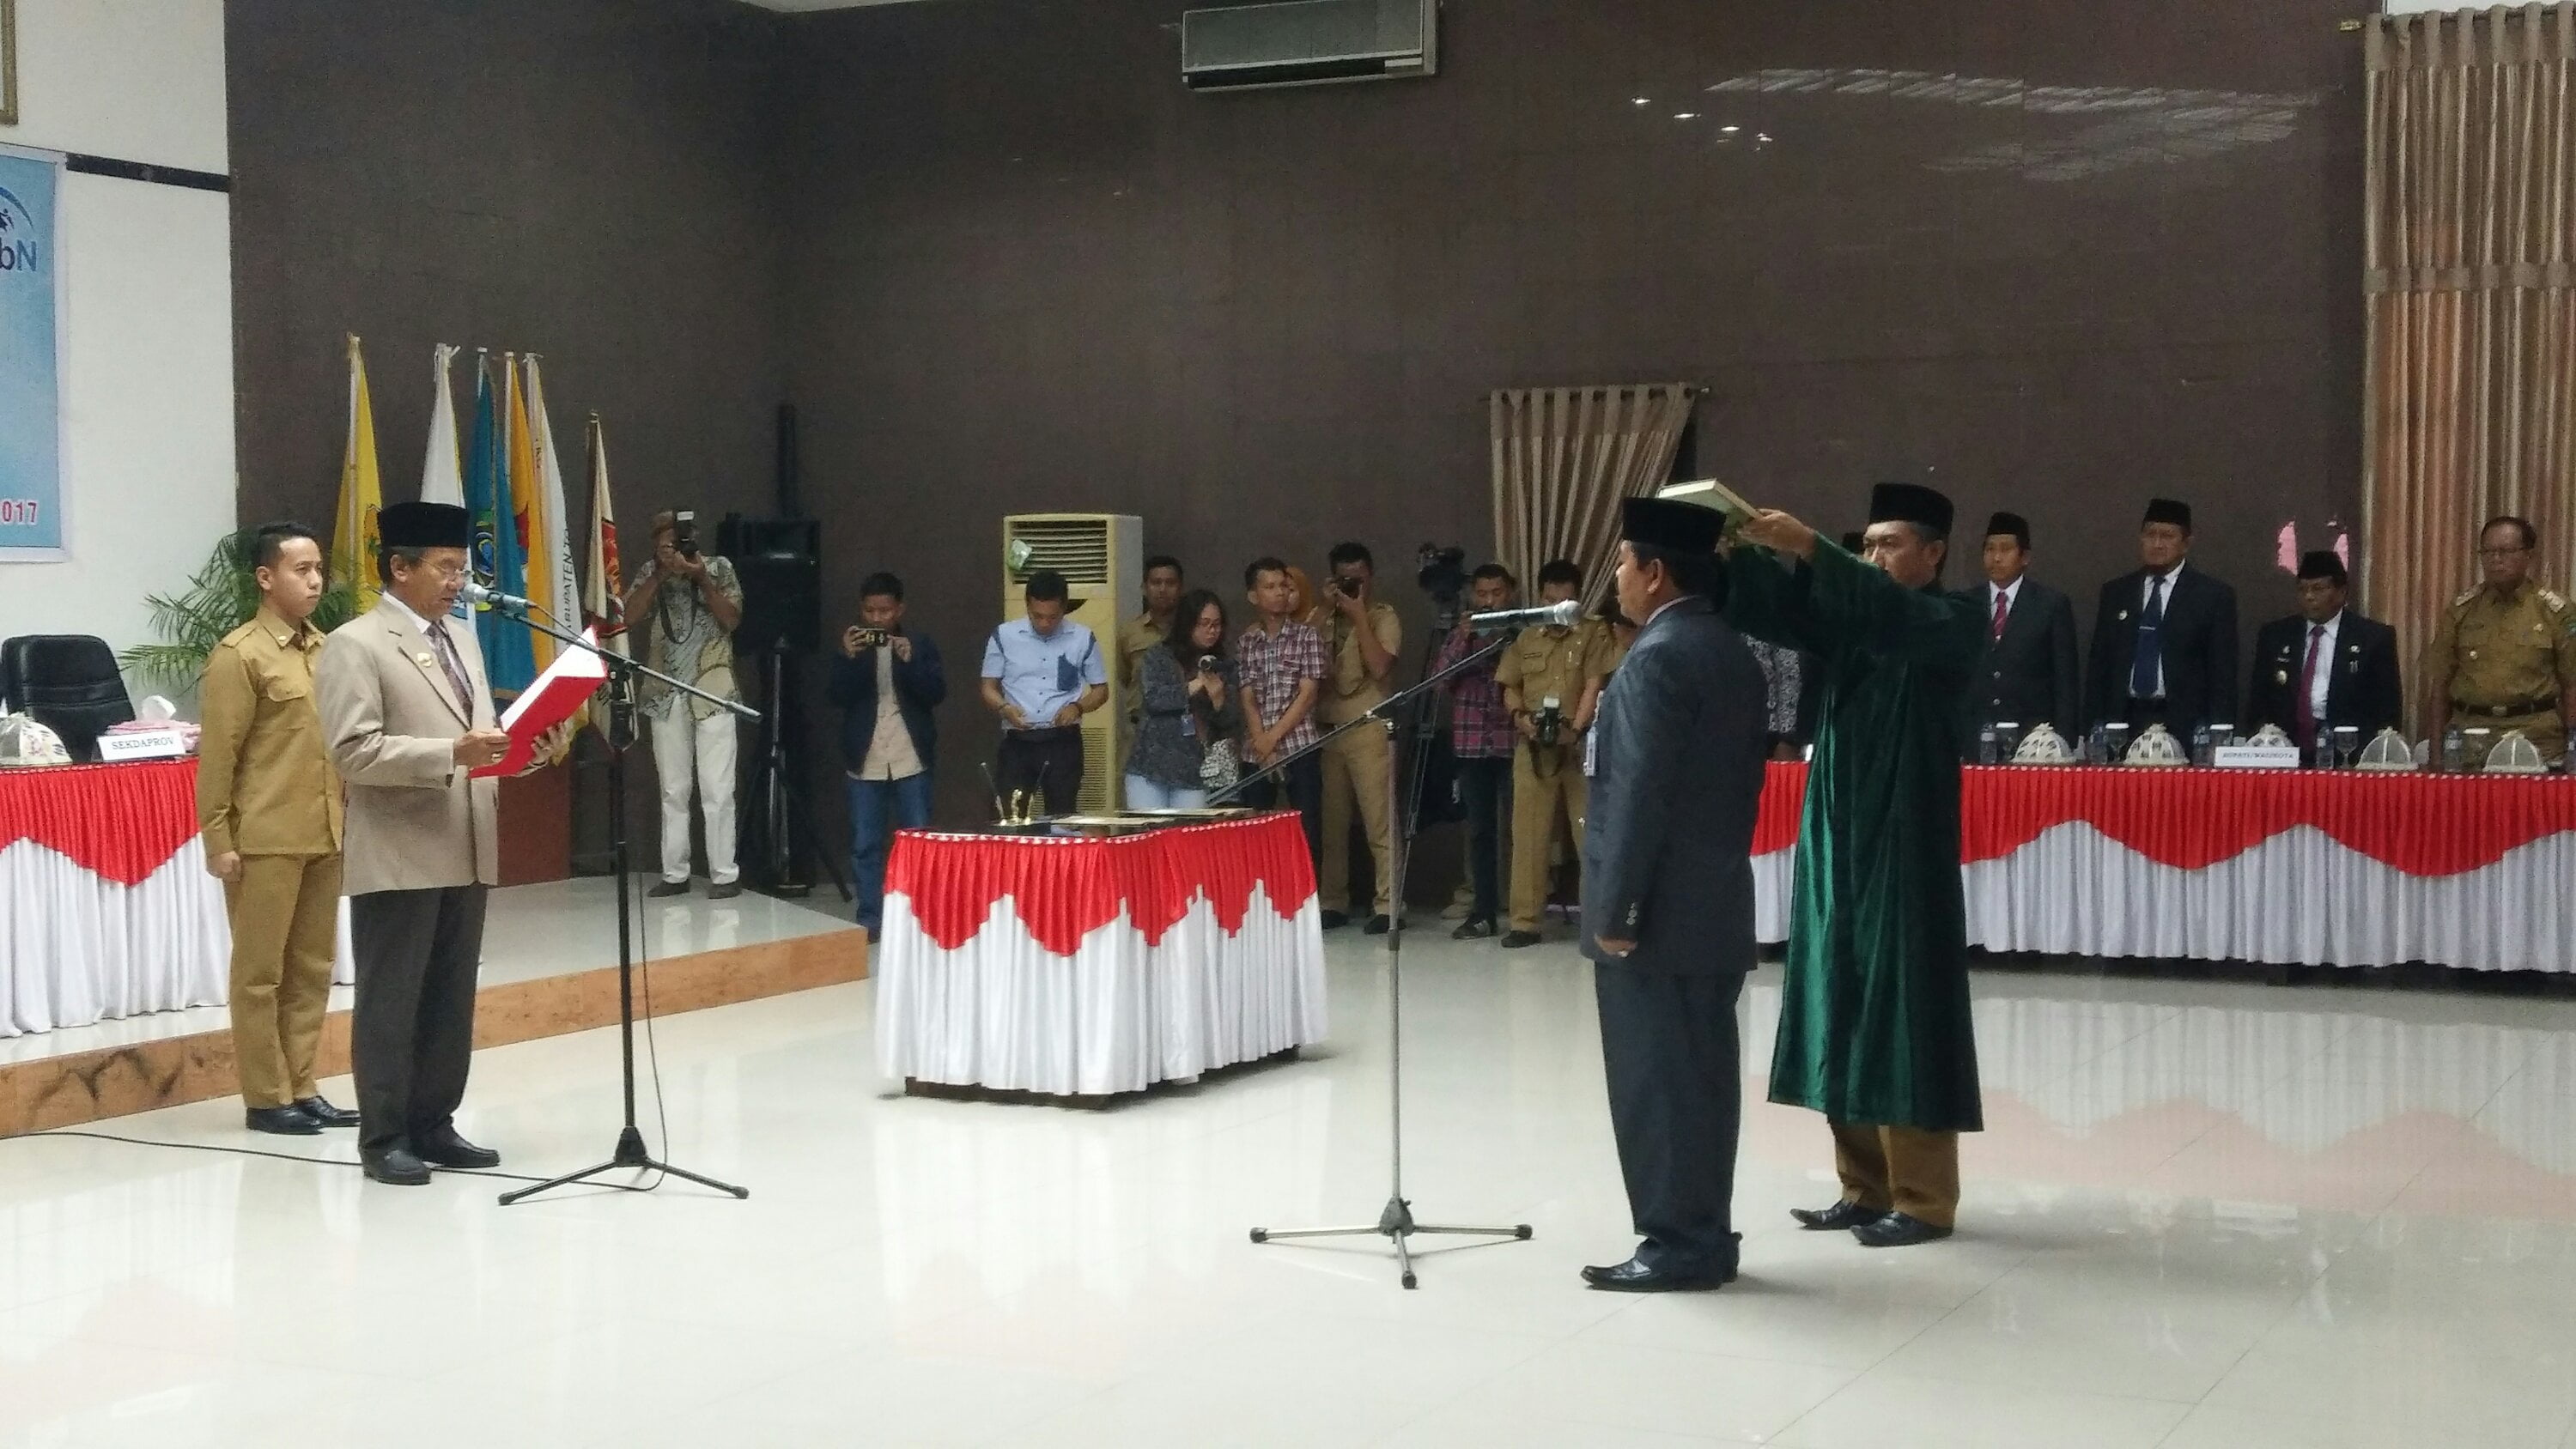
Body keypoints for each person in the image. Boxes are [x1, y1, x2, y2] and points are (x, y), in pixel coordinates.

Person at [1724, 482, 1986, 1249]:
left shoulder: (1954, 617)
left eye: (1889, 544)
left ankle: (1924, 1199)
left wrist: (1812, 547)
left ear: (1934, 552)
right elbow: (1784, 611)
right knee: (1838, 993)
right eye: (1865, 545)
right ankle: (1863, 1187)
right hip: (1837, 839)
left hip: (1906, 845)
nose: (1873, 557)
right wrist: (1737, 554)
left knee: (1903, 1005)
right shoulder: (1854, 618)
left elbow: (1890, 611)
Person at [316, 500, 567, 1186]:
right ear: (400, 568)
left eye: (462, 569)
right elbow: (353, 752)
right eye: (447, 568)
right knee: (392, 1001)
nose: (460, 582)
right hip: (400, 851)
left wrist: (526, 748)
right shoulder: (357, 643)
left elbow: (479, 743)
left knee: (450, 1000)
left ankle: (435, 1123)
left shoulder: (462, 638)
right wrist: (453, 752)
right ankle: (385, 1137)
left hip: (467, 842)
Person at [1578, 498, 1769, 1292]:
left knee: (1658, 1085)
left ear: (1655, 573)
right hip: (1710, 903)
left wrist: (1618, 911)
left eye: (1624, 562)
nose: (1618, 578)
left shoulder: (1658, 656)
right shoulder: (1726, 647)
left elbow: (1640, 796)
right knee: (1701, 1083)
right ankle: (1704, 1235)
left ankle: (1677, 1244)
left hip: (1656, 918)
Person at [197, 522, 353, 1137]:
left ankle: (302, 1085)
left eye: (318, 569)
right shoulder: (240, 655)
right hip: (263, 838)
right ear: (266, 578)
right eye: (300, 570)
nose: (315, 582)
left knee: (312, 968)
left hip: (325, 831)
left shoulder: (328, 649)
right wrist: (218, 840)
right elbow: (219, 758)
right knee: (260, 973)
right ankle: (266, 1096)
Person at [623, 510, 745, 900]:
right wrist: (660, 574)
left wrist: (701, 578)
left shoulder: (719, 568)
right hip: (665, 690)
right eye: (666, 545)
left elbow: (732, 619)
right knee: (673, 789)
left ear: (693, 538)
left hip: (714, 690)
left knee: (717, 788)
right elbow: (627, 617)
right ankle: (675, 874)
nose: (675, 551)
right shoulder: (650, 572)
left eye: (679, 542)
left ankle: (724, 875)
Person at [1495, 559, 1613, 949]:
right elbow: (1509, 685)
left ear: (1577, 598)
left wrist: (1575, 729)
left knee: (1590, 834)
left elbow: (1595, 683)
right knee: (1528, 835)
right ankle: (1524, 922)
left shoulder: (1594, 631)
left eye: (1564, 601)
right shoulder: (1527, 635)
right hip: (1532, 746)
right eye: (1549, 601)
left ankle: (1598, 923)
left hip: (1581, 746)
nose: (1556, 609)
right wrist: (1520, 718)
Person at [829, 572, 945, 943]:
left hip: (911, 756)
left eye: (885, 611)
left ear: (900, 609)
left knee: (918, 842)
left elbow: (936, 694)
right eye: (870, 611)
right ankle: (870, 918)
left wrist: (910, 661)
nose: (877, 619)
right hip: (866, 759)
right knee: (865, 845)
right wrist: (849, 658)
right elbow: (836, 697)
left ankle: (919, 918)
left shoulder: (920, 644)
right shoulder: (852, 646)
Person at [2424, 516, 2575, 769]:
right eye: (2488, 552)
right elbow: (2440, 687)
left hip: (2537, 739)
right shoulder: (2461, 610)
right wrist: (2436, 757)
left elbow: (2572, 685)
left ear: (2529, 556)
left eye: (2505, 551)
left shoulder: (2556, 611)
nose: (2496, 560)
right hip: (2470, 739)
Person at [2087, 498, 2239, 743]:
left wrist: (2218, 734)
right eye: (2150, 535)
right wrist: (2094, 725)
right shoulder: (2117, 593)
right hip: (2124, 721)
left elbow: (2222, 673)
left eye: (2167, 536)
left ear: (2186, 544)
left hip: (2186, 725)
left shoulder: (2212, 596)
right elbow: (2099, 666)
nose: (2157, 544)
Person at [1307, 542, 1403, 932]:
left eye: (1357, 579)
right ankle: (1333, 901)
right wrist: (1325, 608)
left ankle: (1389, 904)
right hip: (1329, 729)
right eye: (1344, 579)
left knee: (1380, 822)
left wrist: (1359, 615)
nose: (1351, 586)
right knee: (1332, 825)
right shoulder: (1321, 616)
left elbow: (1380, 667)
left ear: (1370, 577)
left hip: (1369, 727)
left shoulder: (1383, 616)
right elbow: (1298, 655)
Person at [2246, 550, 2402, 758]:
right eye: (2302, 589)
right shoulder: (2275, 636)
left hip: (2350, 757)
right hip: (2284, 754)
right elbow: (2258, 704)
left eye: (2318, 589)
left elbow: (2388, 712)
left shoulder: (2374, 639)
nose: (2309, 597)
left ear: (2341, 592)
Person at [1432, 564, 1516, 940]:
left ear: (1510, 594)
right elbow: (1440, 682)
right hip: (1471, 742)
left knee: (1520, 830)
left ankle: (1524, 912)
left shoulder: (1521, 631)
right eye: (1482, 594)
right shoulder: (1459, 634)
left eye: (1496, 593)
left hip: (1514, 739)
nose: (1489, 601)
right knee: (1480, 830)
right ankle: (1483, 911)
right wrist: (1465, 639)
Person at [981, 568, 1108, 816]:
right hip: (1018, 741)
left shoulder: (1082, 638)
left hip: (1063, 740)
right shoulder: (1004, 636)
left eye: (1052, 617)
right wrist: (1004, 708)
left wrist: (1078, 707)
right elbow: (988, 687)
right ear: (1027, 605)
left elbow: (1101, 690)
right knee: (1011, 816)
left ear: (1064, 608)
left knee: (1062, 818)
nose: (1044, 623)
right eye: (1037, 616)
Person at [1236, 556, 1327, 858]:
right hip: (1256, 750)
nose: (1279, 593)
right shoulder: (1247, 642)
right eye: (1270, 586)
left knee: (1307, 832)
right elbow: (1247, 696)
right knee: (1252, 834)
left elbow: (1308, 694)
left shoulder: (1307, 636)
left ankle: (1307, 889)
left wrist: (1272, 738)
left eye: (1283, 586)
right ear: (1253, 596)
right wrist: (1261, 742)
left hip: (1299, 746)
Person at [1967, 511, 2081, 749]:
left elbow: (2065, 680)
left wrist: (2064, 740)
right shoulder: (1966, 604)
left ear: (2025, 557)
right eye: (1990, 549)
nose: (1996, 558)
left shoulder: (2050, 604)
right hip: (1974, 735)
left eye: (2005, 549)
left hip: (2033, 738)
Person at [1127, 589, 1242, 809]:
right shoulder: (1159, 655)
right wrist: (1194, 686)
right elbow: (1154, 699)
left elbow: (1232, 722)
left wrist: (1218, 699)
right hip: (1151, 765)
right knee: (1150, 828)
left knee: (1191, 829)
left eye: (1217, 624)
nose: (1212, 631)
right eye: (1204, 624)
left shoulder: (1223, 664)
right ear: (1187, 624)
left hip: (1196, 769)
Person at [1119, 555, 1185, 778]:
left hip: (1183, 732)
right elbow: (1125, 677)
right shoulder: (1129, 633)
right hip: (1140, 730)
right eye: (1156, 583)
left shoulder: (1191, 631)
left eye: (1170, 583)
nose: (1163, 589)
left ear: (1181, 588)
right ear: (1144, 588)